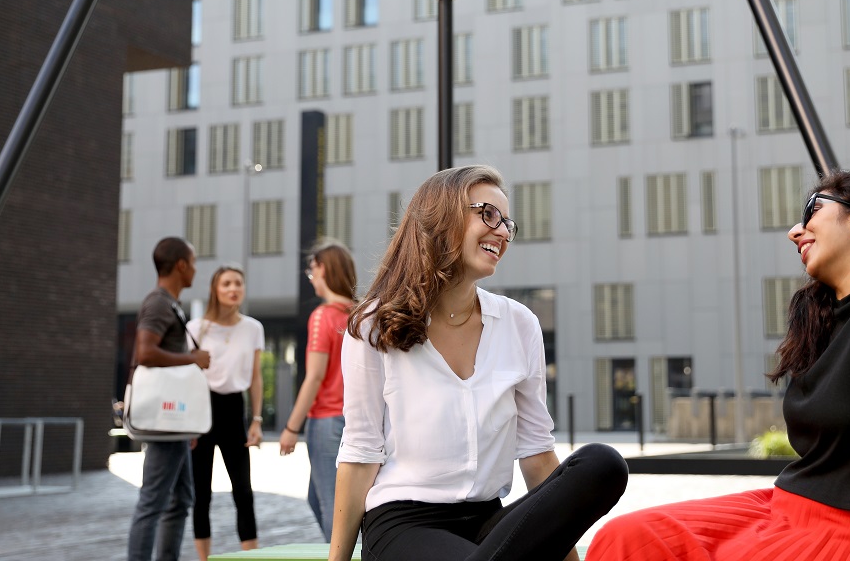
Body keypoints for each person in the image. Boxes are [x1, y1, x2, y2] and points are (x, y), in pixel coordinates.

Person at [586, 170, 850, 561]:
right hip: (785, 507)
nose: (795, 231)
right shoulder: (818, 320)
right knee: (626, 539)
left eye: (812, 210)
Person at [330, 165, 629, 561]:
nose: (503, 232)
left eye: (507, 222)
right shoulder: (374, 324)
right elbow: (360, 452)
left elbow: (538, 455)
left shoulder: (519, 324)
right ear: (441, 217)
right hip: (404, 524)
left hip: (490, 522)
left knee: (601, 464)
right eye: (488, 214)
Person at [128, 237, 211, 561]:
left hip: (173, 420)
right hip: (164, 421)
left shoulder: (168, 302)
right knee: (154, 502)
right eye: (192, 262)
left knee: (180, 499)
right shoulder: (159, 303)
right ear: (180, 265)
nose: (194, 269)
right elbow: (145, 352)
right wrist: (193, 359)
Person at [278, 239, 357, 540]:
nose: (311, 278)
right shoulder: (358, 316)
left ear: (322, 269)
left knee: (333, 511)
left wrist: (290, 427)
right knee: (320, 499)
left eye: (312, 271)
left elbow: (314, 377)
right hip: (354, 421)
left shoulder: (323, 316)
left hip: (326, 422)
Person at [186, 265, 265, 561]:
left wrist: (256, 420)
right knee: (201, 494)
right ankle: (203, 559)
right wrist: (188, 424)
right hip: (202, 412)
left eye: (238, 283)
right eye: (227, 284)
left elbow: (256, 377)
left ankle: (252, 557)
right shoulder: (196, 328)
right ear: (215, 290)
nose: (234, 289)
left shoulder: (253, 328)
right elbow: (188, 379)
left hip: (235, 410)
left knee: (243, 492)